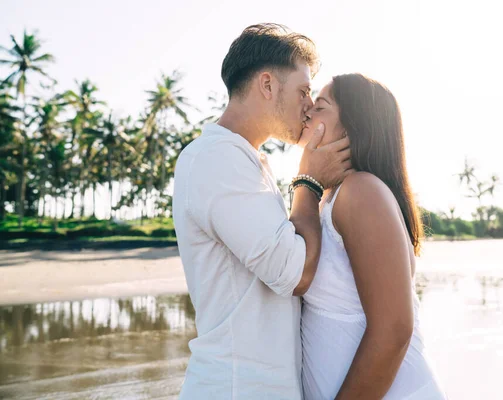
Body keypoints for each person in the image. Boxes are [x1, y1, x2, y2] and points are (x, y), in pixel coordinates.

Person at [172, 24, 352, 399]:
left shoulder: (245, 161)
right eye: (303, 90)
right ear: (268, 85)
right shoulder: (217, 158)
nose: (309, 105)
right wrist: (308, 180)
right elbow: (294, 273)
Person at [299, 74, 447, 399]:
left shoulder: (360, 191)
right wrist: (306, 182)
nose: (307, 110)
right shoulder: (332, 198)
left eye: (320, 106)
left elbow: (394, 331)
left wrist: (304, 179)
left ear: (351, 129)